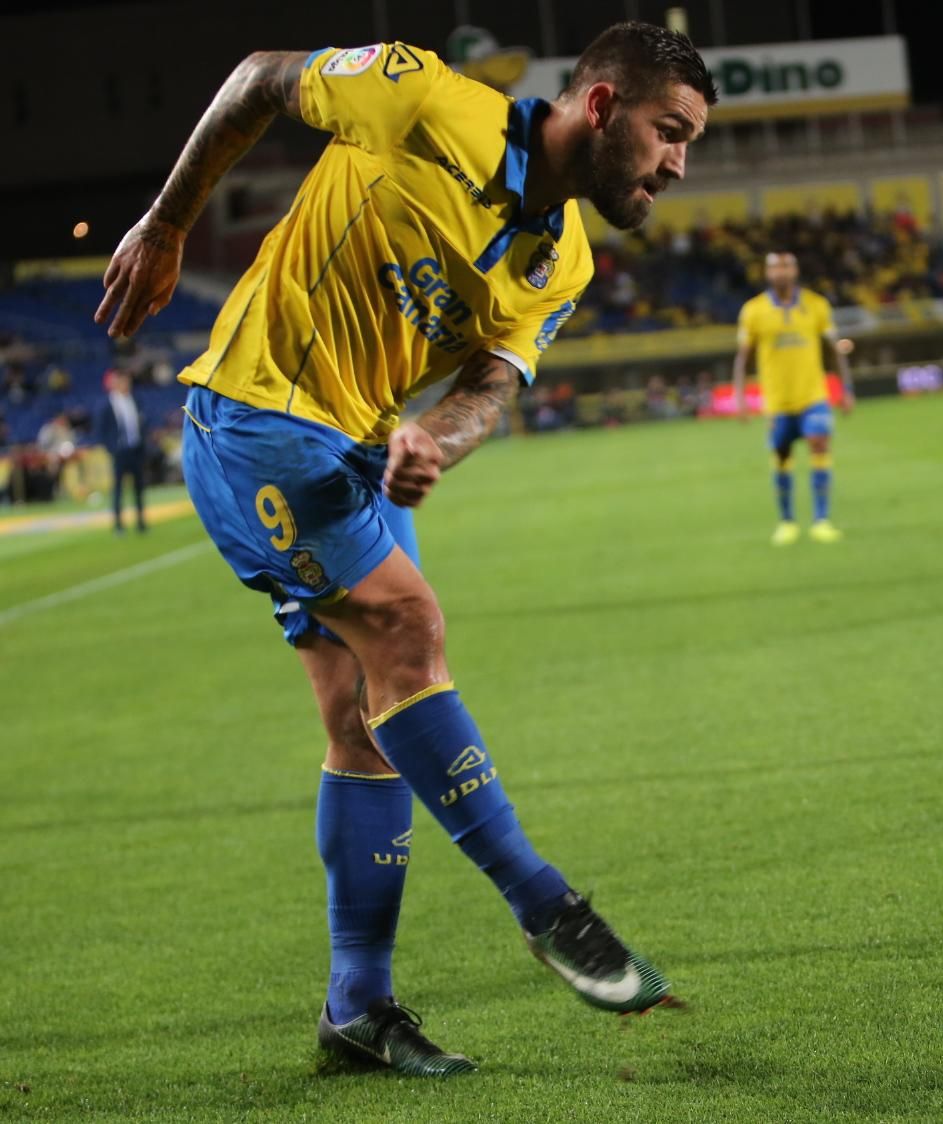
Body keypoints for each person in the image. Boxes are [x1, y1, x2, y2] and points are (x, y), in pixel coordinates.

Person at [95, 23, 716, 1075]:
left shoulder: (559, 258)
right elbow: (254, 81)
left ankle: (357, 1007)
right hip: (254, 412)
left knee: (368, 724)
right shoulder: (422, 97)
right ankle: (545, 901)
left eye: (689, 145)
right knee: (410, 623)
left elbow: (489, 388)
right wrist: (165, 224)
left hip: (360, 447)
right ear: (601, 106)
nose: (676, 165)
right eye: (668, 133)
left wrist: (441, 440)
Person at [733, 251, 854, 545]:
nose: (781, 272)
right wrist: (741, 398)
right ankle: (787, 522)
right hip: (777, 402)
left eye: (786, 266)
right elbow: (742, 358)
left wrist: (846, 389)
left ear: (795, 271)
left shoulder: (816, 305)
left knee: (819, 442)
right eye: (775, 267)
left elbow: (834, 351)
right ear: (767, 273)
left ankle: (821, 520)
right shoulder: (753, 311)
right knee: (782, 456)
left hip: (813, 395)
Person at [95, 370, 148, 533]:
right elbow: (101, 430)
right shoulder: (106, 404)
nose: (126, 385)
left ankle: (140, 522)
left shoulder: (135, 400)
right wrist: (112, 448)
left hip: (135, 449)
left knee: (139, 487)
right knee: (118, 488)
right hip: (119, 451)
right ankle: (118, 524)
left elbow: (142, 423)